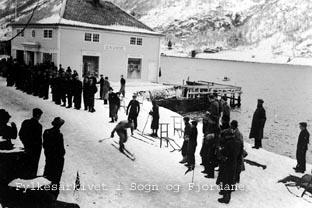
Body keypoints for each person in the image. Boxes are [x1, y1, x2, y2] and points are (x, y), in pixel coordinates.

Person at [216, 121, 241, 204]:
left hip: (227, 163)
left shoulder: (229, 143)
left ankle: (226, 197)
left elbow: (224, 152)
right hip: (234, 163)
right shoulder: (239, 143)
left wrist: (220, 151)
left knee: (226, 179)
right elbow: (240, 153)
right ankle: (226, 195)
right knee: (230, 179)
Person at [43, 117, 66, 199]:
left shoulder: (46, 132)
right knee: (56, 180)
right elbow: (62, 150)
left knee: (47, 177)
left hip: (49, 158)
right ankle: (53, 197)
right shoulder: (59, 135)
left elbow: (44, 145)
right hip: (57, 161)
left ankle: (46, 195)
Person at [19, 108, 43, 178]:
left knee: (26, 165)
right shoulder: (38, 126)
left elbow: (21, 134)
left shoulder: (25, 122)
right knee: (33, 166)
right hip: (35, 149)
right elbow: (38, 139)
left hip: (27, 147)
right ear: (38, 115)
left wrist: (25, 144)